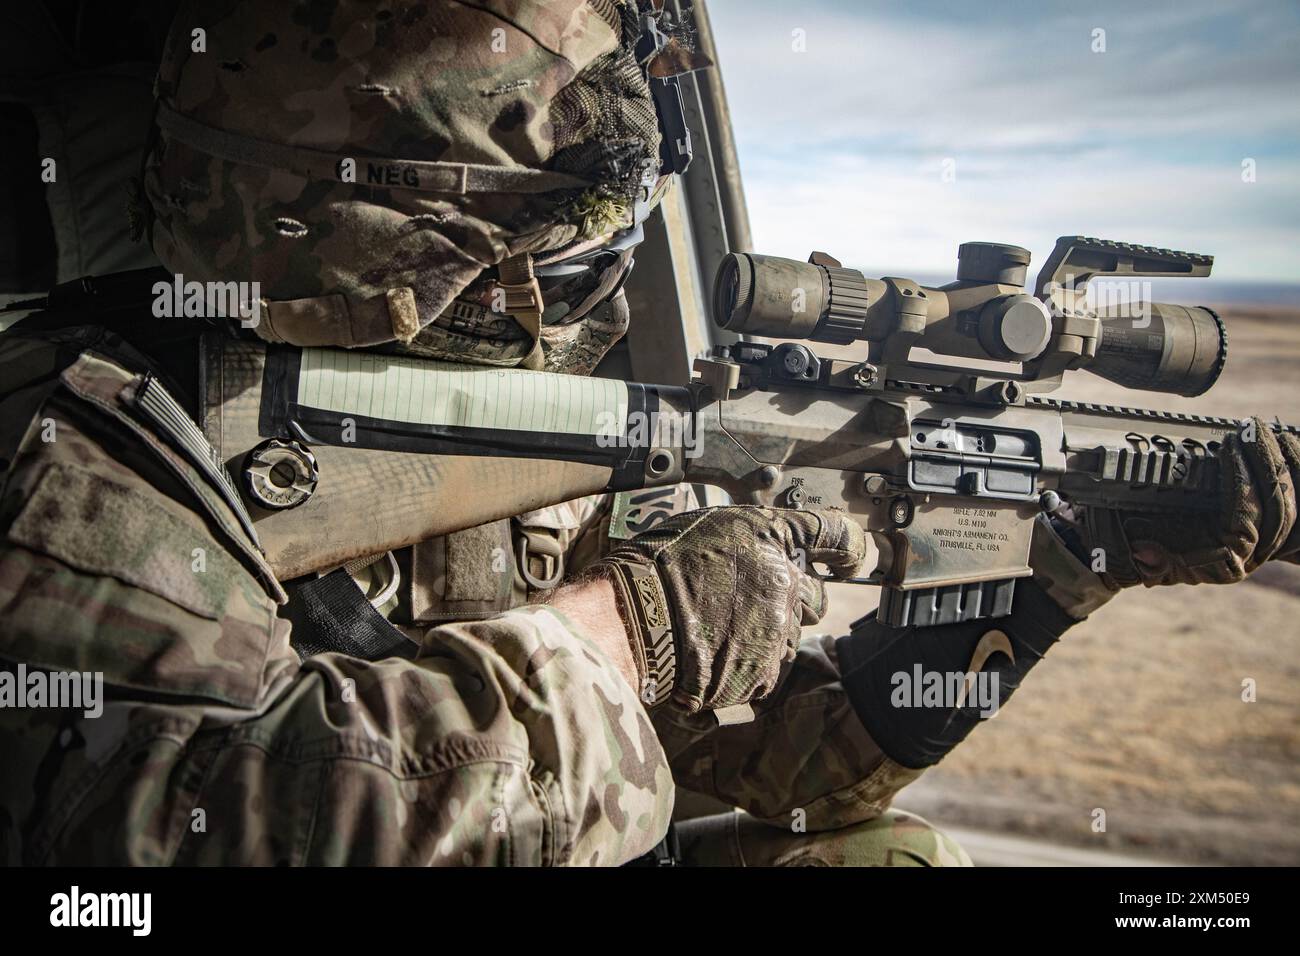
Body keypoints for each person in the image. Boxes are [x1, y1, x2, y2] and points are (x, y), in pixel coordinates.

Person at [2, 0, 1297, 868]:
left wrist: (1061, 569)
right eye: (582, 265)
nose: (601, 306)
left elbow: (798, 776)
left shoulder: (555, 448)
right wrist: (632, 629)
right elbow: (174, 837)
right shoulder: (85, 437)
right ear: (421, 265)